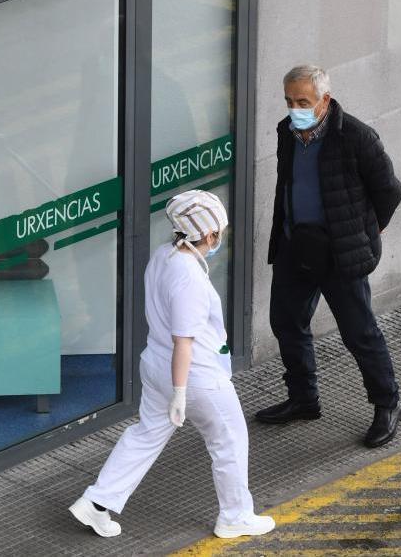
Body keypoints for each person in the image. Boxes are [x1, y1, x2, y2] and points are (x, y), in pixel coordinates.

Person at [69, 190, 275, 539]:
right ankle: (235, 515)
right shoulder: (189, 278)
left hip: (156, 365)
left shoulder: (164, 255)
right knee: (229, 440)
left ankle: (97, 502)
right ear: (209, 235)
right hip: (195, 377)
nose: (221, 237)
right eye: (219, 232)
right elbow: (185, 342)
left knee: (145, 436)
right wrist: (181, 393)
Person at [257, 65, 401, 448]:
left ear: (324, 99)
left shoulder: (356, 137)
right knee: (286, 323)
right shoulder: (286, 132)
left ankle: (388, 402)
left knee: (359, 333)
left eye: (303, 101)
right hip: (295, 246)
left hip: (341, 251)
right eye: (289, 101)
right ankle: (304, 399)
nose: (295, 108)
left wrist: (370, 230)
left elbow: (388, 190)